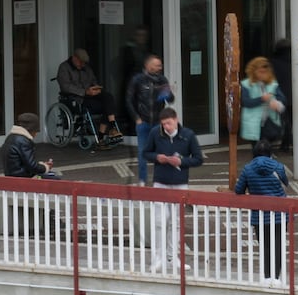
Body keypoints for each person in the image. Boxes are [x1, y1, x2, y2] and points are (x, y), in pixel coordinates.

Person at [142, 108, 202, 272]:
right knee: (159, 222)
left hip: (180, 183)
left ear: (176, 120)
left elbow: (198, 159)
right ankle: (157, 259)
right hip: (160, 182)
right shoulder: (156, 133)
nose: (166, 127)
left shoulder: (188, 135)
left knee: (176, 223)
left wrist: (181, 162)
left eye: (168, 123)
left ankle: (173, 257)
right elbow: (146, 152)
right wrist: (157, 158)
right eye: (163, 124)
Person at [234, 138, 291, 284]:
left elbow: (238, 190)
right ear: (270, 153)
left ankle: (266, 277)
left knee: (265, 246)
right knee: (277, 245)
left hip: (259, 215)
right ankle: (276, 278)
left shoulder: (248, 168)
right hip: (279, 214)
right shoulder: (278, 166)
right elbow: (286, 183)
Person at [127, 55, 174, 186]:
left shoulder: (162, 80)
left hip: (158, 122)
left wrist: (167, 92)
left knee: (161, 152)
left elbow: (170, 100)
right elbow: (129, 100)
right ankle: (142, 180)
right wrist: (136, 118)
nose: (160, 67)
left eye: (160, 65)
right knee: (143, 153)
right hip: (143, 122)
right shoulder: (138, 80)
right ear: (148, 66)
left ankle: (160, 179)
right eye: (157, 65)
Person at [56, 48, 121, 141]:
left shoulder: (86, 68)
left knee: (108, 97)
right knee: (105, 106)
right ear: (74, 58)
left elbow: (93, 80)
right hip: (77, 98)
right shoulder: (64, 67)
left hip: (90, 94)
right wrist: (85, 92)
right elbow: (65, 86)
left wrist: (96, 88)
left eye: (84, 63)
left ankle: (112, 127)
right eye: (81, 62)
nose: (83, 65)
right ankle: (102, 136)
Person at [239, 56, 287, 149]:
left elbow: (283, 99)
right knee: (257, 148)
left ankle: (265, 161)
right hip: (253, 122)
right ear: (253, 71)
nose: (263, 74)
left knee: (266, 147)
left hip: (269, 121)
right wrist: (262, 99)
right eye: (260, 71)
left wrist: (277, 103)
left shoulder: (272, 83)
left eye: (265, 71)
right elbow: (246, 102)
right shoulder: (246, 84)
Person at [4, 112, 62, 179]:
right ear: (32, 130)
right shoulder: (23, 142)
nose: (36, 134)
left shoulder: (11, 137)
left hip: (12, 176)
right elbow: (32, 167)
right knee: (55, 178)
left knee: (51, 176)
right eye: (36, 131)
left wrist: (42, 165)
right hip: (22, 178)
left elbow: (25, 162)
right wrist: (46, 167)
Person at [269, 38, 295, 152]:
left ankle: (285, 141)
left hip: (280, 94)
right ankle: (287, 142)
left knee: (284, 120)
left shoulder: (273, 63)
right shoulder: (294, 61)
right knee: (290, 121)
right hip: (294, 95)